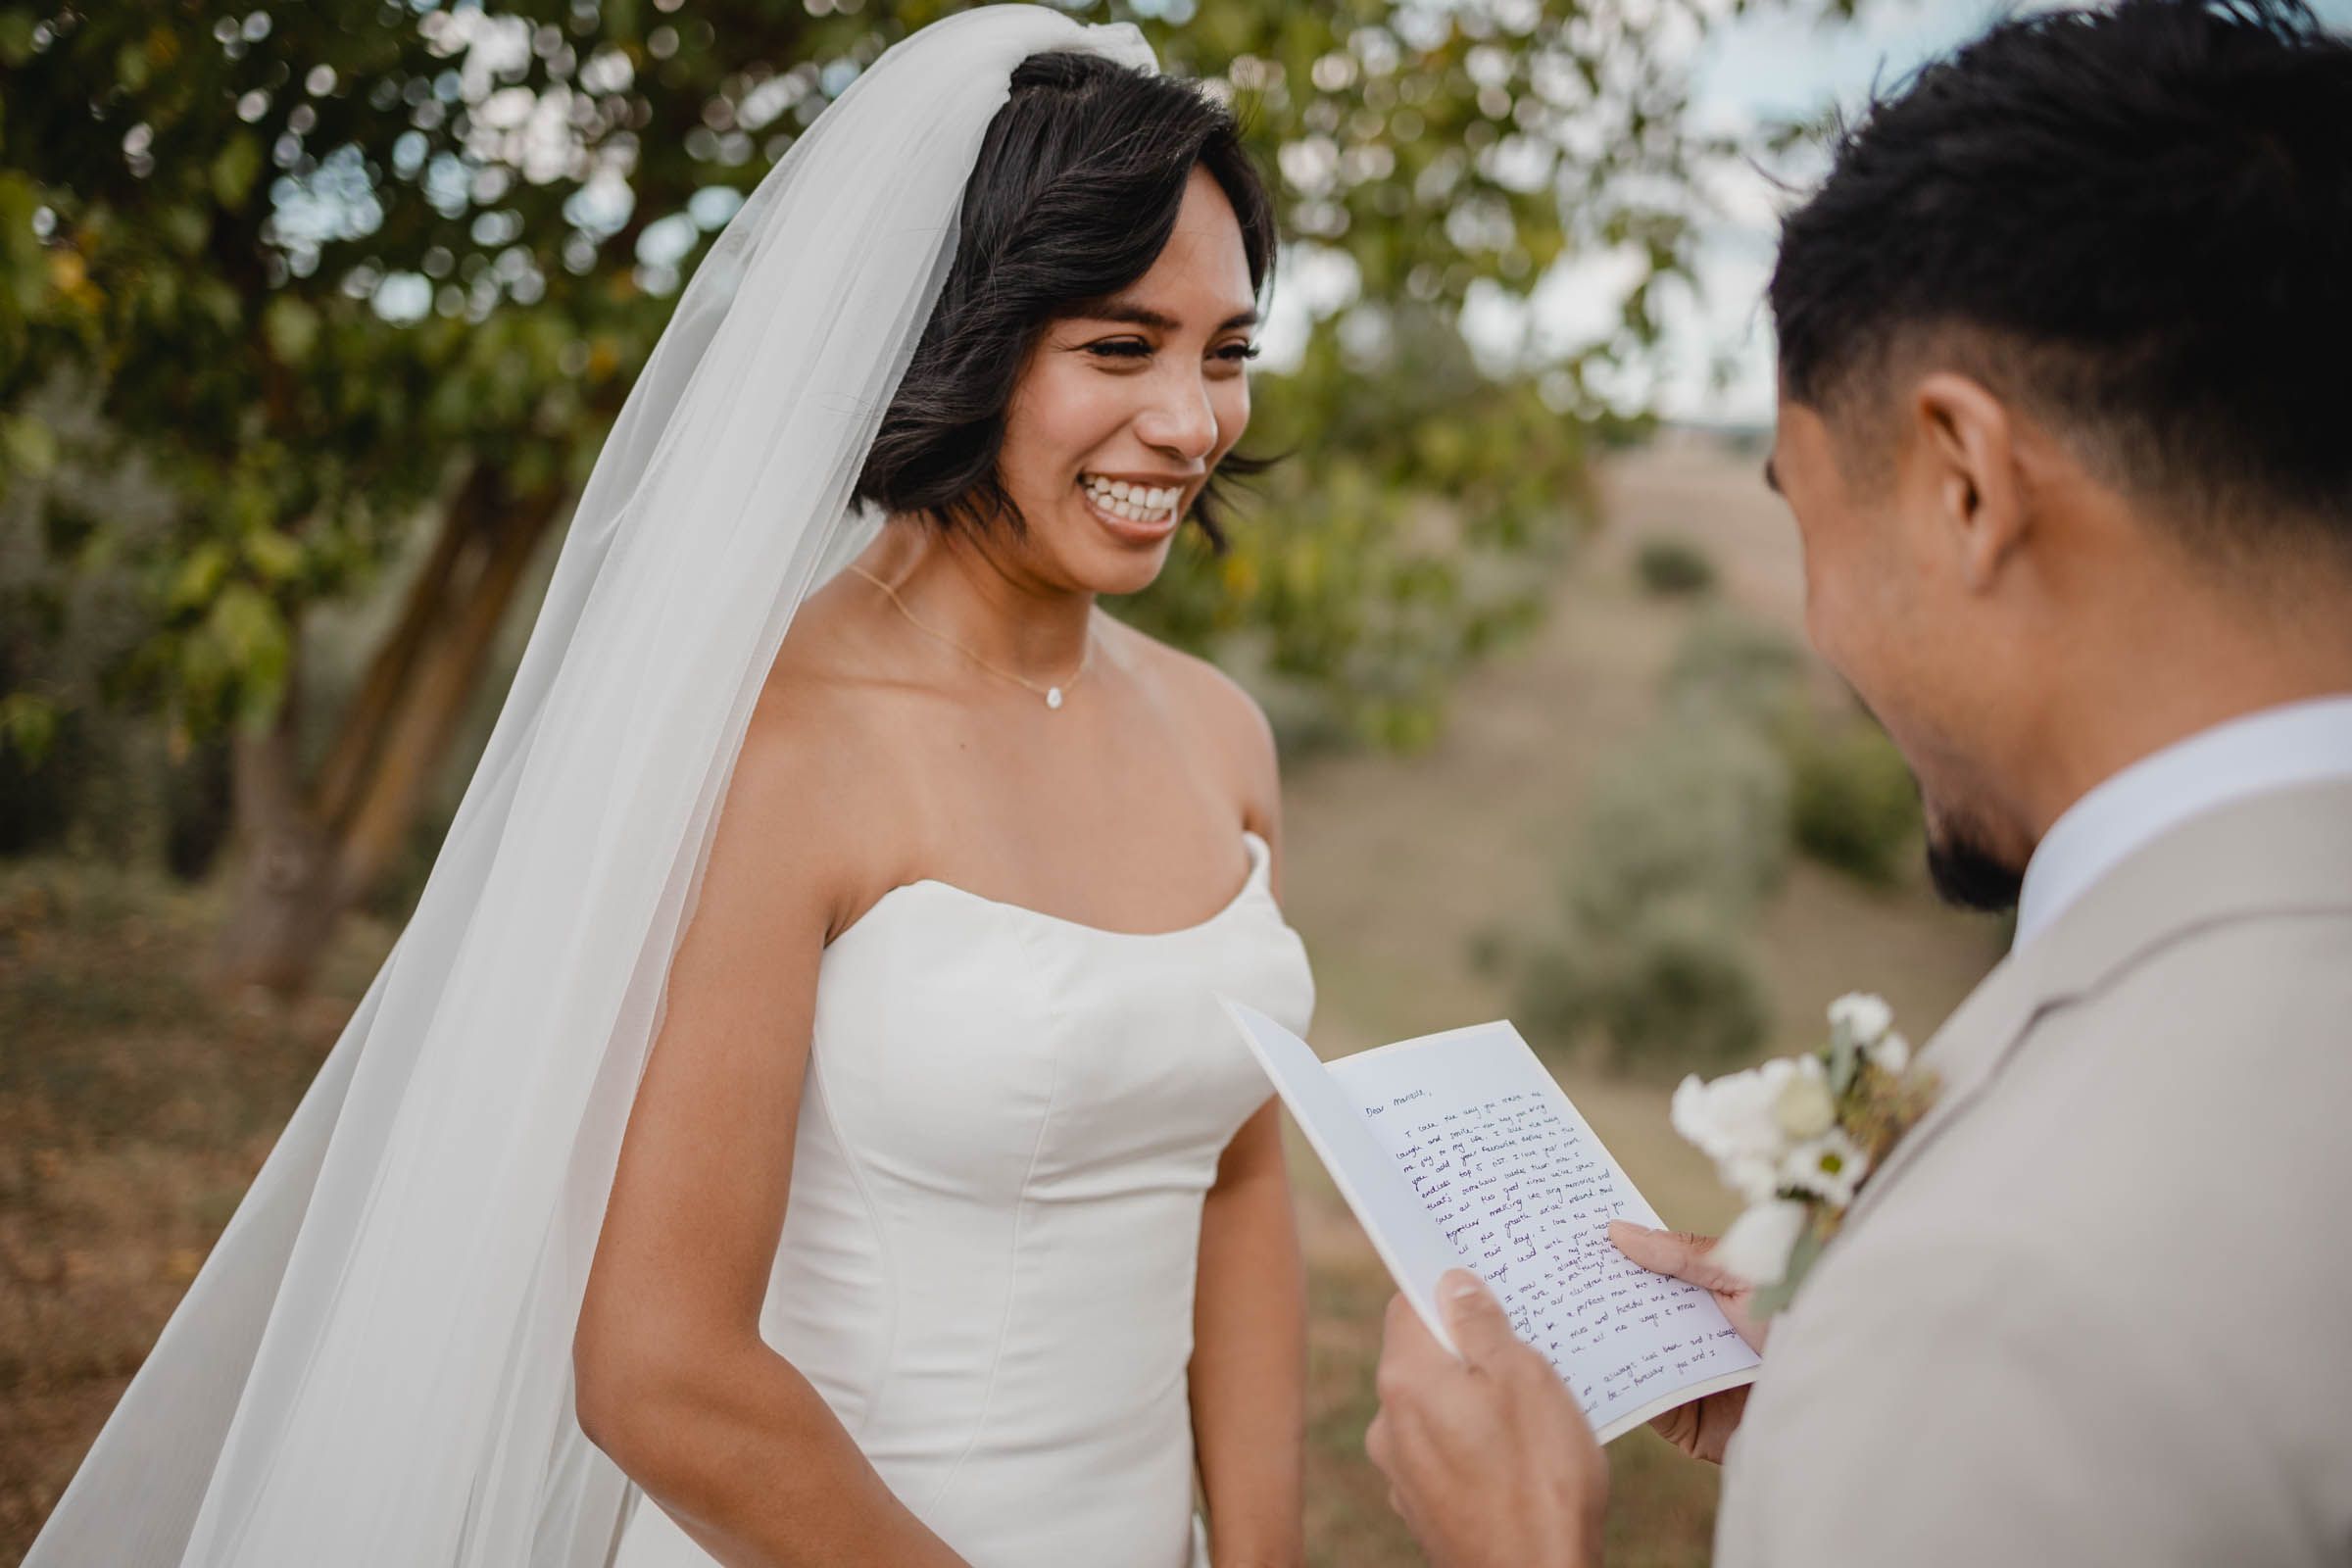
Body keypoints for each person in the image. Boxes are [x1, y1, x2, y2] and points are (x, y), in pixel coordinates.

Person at [24, 12, 1312, 1567]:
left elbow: (1237, 1181)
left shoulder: (1223, 731)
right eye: (1120, 346)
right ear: (964, 339)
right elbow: (658, 1372)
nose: (1190, 422)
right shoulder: (779, 739)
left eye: (1224, 351)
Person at [1365, 0, 2352, 1562]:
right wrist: (1846, 1440)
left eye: (1808, 509)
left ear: (1962, 483)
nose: (1822, 627)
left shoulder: (1996, 1303)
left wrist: (1521, 1547)